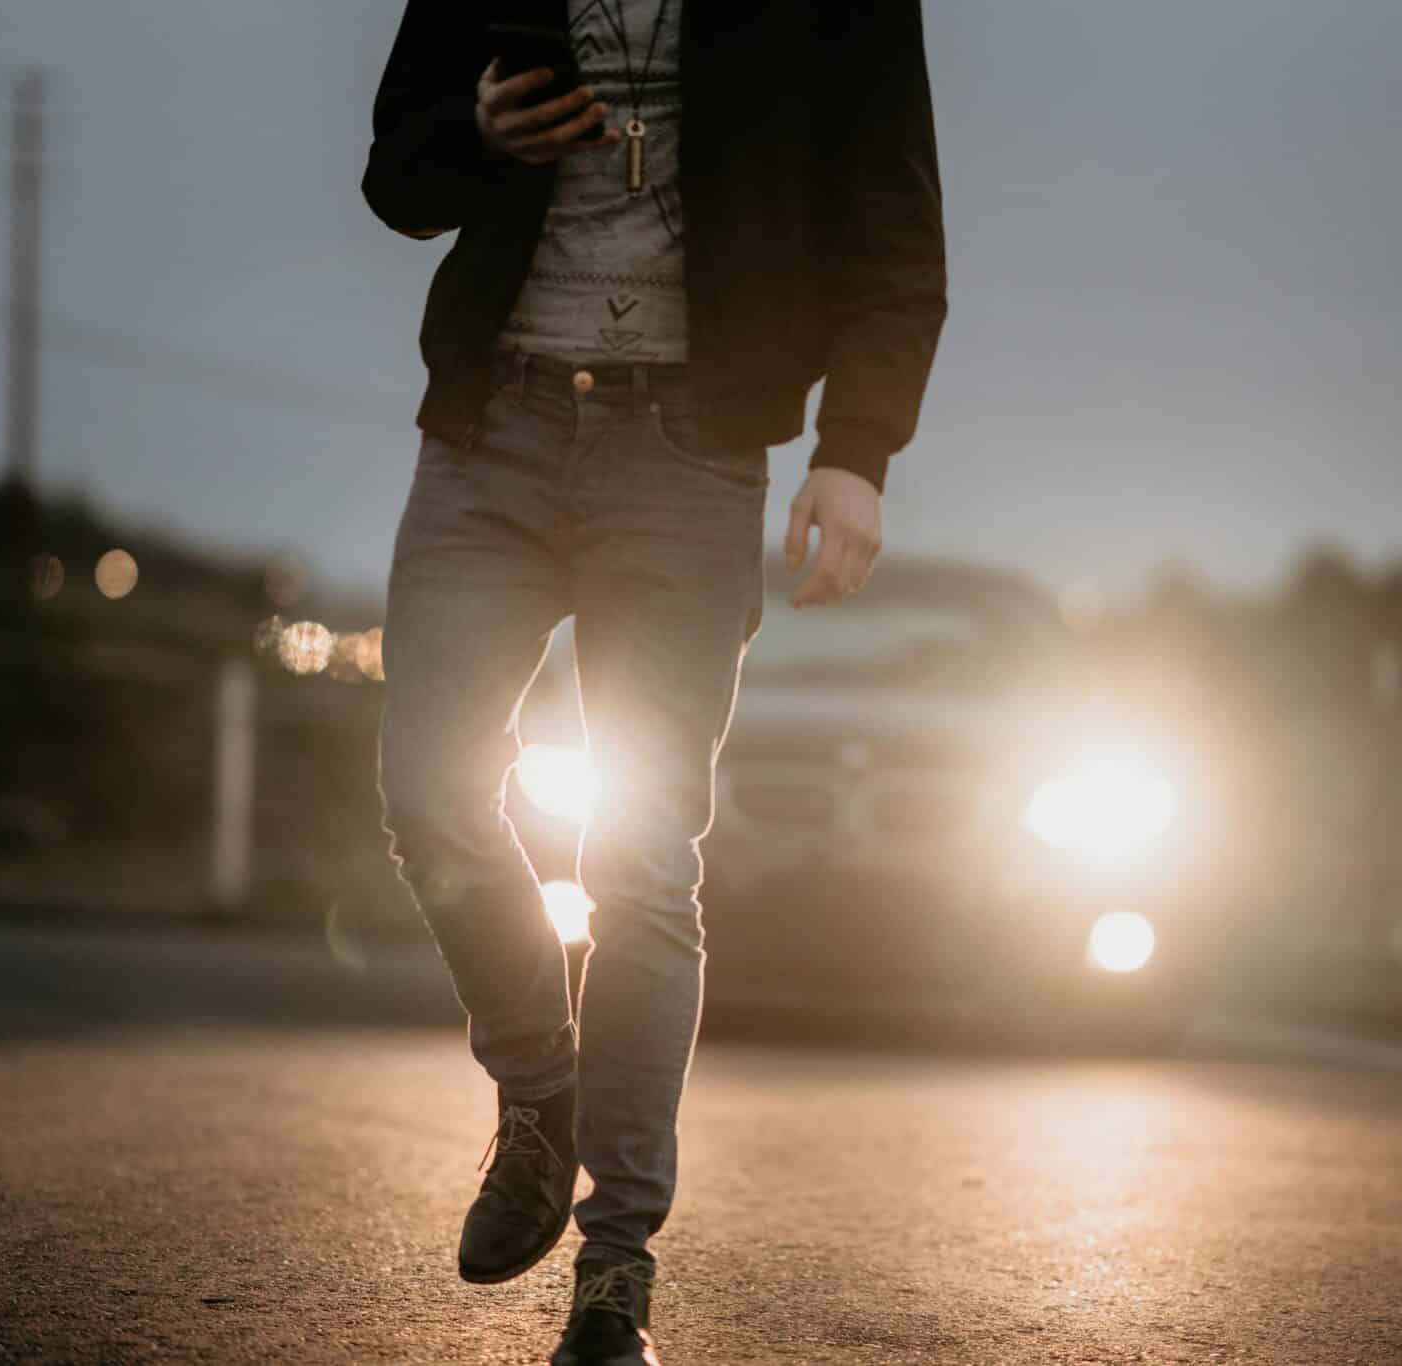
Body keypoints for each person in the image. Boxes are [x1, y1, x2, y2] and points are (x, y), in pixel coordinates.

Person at [361, 3, 944, 1361]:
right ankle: (540, 1083)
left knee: (642, 856)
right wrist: (477, 135)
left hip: (686, 450)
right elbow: (397, 170)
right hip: (490, 426)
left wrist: (857, 446)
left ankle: (616, 1268)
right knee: (429, 790)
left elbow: (894, 220)